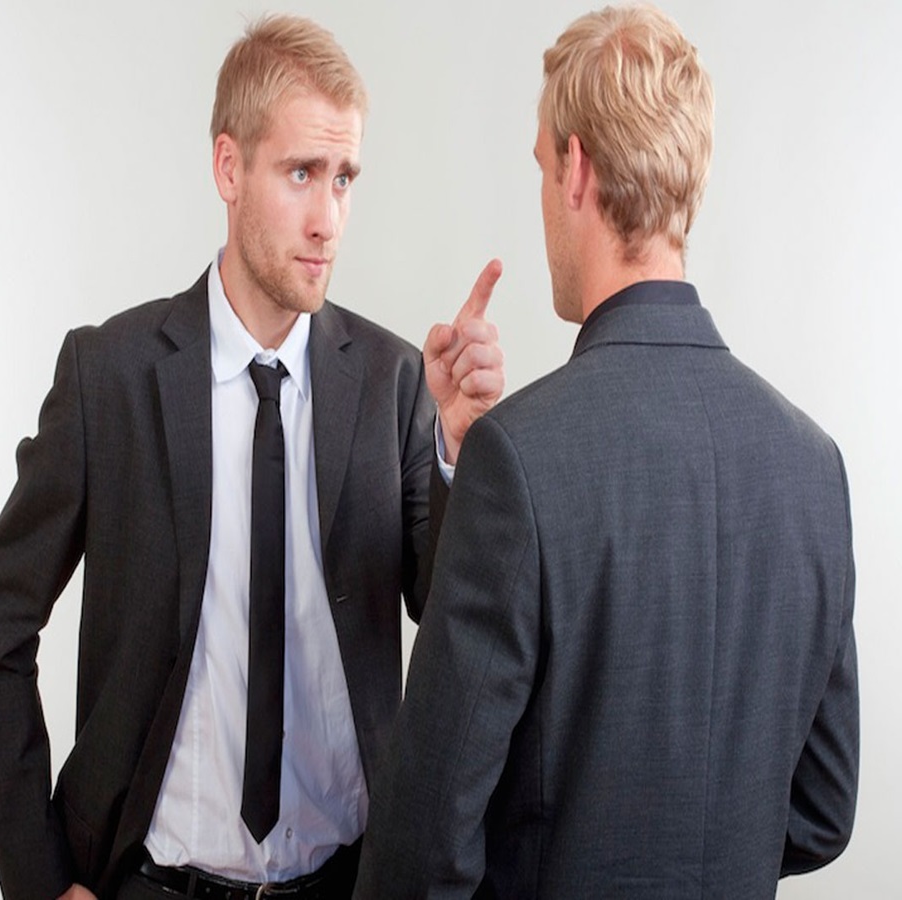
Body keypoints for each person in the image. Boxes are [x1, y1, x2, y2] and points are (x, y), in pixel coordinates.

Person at [0, 14, 504, 900]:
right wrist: (41, 879)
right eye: (301, 173)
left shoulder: (396, 383)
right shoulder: (109, 377)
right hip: (151, 881)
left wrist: (455, 450)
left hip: (348, 881)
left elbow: (452, 625)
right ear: (228, 168)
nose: (328, 219)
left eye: (344, 178)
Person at [353, 5, 859, 898]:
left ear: (577, 168)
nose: (545, 195)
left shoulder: (519, 459)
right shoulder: (815, 467)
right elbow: (822, 809)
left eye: (543, 167)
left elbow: (421, 849)